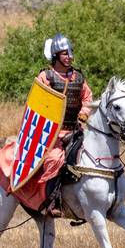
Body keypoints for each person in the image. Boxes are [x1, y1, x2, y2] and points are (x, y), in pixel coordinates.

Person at [36, 35, 92, 217]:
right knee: (54, 160)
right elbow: (39, 103)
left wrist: (83, 114)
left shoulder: (78, 77)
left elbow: (87, 98)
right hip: (53, 134)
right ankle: (51, 202)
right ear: (56, 56)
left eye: (70, 53)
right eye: (64, 53)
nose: (69, 56)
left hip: (75, 130)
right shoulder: (46, 76)